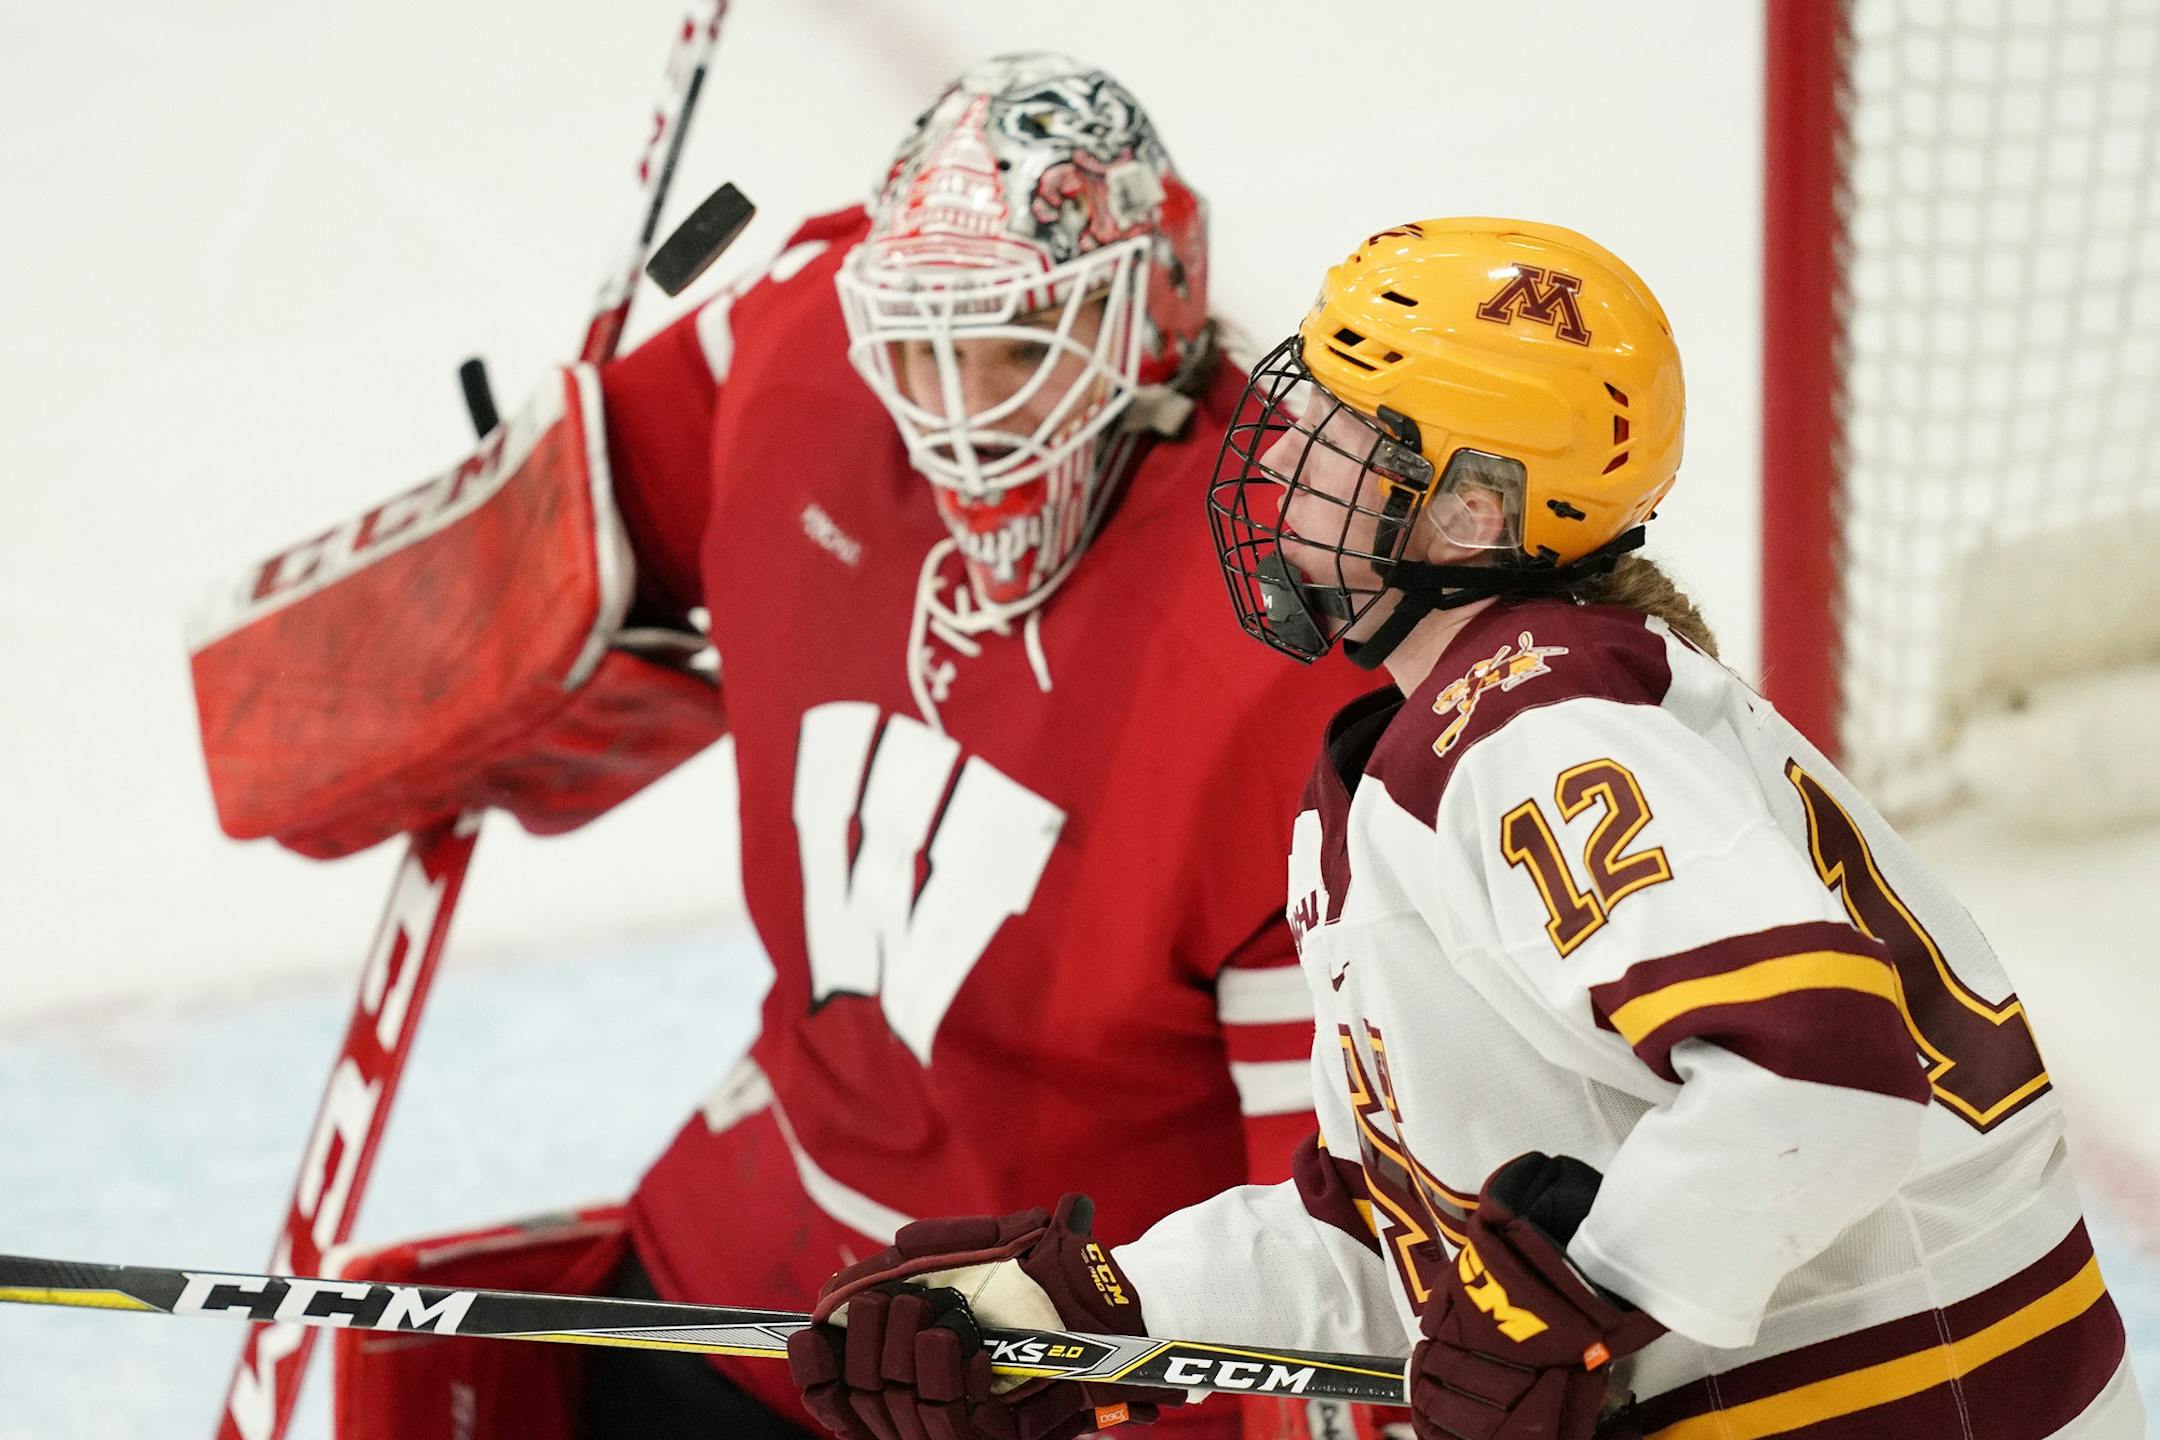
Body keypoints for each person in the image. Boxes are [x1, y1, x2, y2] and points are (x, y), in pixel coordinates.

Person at [781, 219, 2145, 1440]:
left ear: (1473, 513)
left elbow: (1824, 1072)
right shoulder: (1419, 760)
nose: (1284, 472)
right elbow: (1392, 1243)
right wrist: (1089, 1316)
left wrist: (1601, 1300)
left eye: (1338, 443)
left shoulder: (1539, 728)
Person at [228, 53, 1380, 1440]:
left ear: (1154, 312)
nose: (953, 407)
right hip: (755, 1251)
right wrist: (486, 615)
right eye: (914, 343)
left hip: (1070, 1370)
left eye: (1012, 344)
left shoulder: (1290, 656)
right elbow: (558, 554)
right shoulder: (794, 348)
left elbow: (1328, 1239)